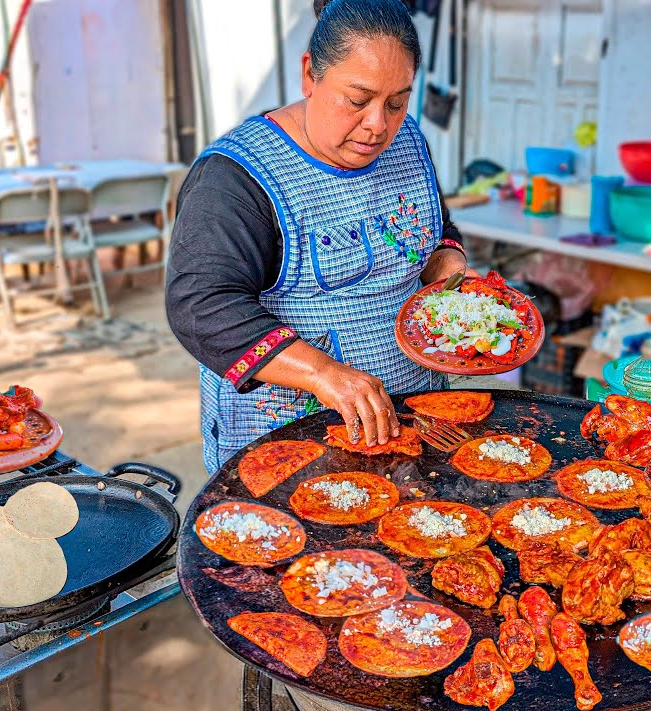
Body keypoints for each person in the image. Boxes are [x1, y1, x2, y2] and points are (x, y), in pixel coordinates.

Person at [166, 0, 470, 475]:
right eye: (358, 100)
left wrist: (446, 263)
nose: (378, 125)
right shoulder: (236, 177)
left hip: (416, 416)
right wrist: (323, 373)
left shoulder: (406, 142)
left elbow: (434, 227)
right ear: (310, 75)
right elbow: (201, 304)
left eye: (396, 102)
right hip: (292, 441)